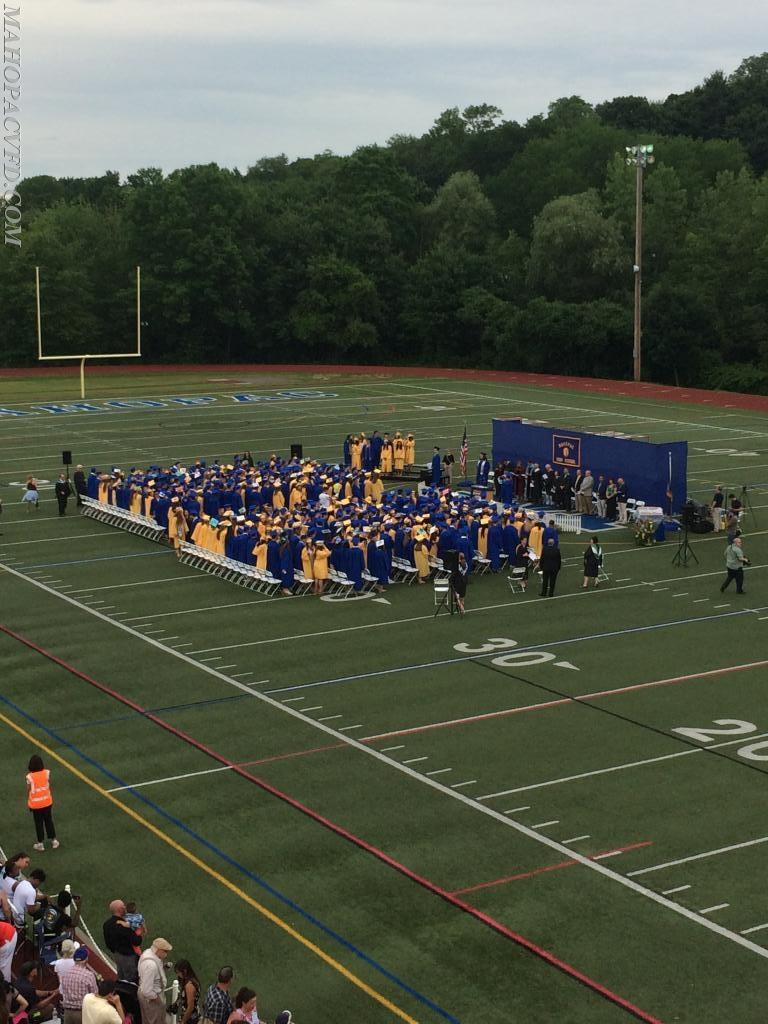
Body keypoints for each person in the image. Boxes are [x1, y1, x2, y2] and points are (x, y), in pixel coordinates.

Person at [26, 754, 59, 852]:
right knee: (49, 821)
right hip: (47, 802)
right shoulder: (46, 773)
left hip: (36, 804)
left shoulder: (29, 777)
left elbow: (28, 789)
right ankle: (54, 840)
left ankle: (40, 843)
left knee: (38, 823)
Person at [103, 900, 139, 983]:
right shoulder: (124, 925)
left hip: (117, 955)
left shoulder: (107, 924)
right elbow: (136, 941)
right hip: (129, 957)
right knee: (131, 980)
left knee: (121, 977)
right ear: (120, 909)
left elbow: (108, 943)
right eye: (123, 906)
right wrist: (139, 934)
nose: (125, 908)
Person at [60, 946, 98, 1024]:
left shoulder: (66, 973)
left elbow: (62, 991)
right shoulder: (89, 975)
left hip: (67, 1013)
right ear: (86, 960)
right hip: (82, 1014)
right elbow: (95, 995)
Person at [137, 938, 172, 1024]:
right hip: (152, 999)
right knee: (153, 1020)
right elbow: (146, 991)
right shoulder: (151, 966)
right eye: (166, 951)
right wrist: (158, 1000)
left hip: (149, 994)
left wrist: (164, 967)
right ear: (159, 950)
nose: (167, 954)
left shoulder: (148, 953)